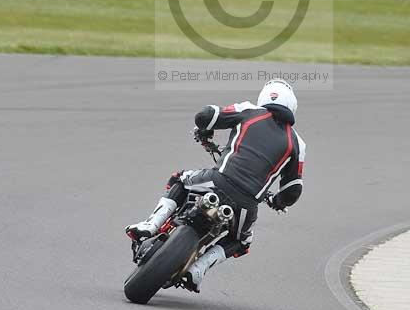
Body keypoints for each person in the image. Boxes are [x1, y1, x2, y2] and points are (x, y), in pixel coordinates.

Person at [126, 78, 306, 293]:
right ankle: (199, 268)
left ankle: (151, 225)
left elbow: (206, 115)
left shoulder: (250, 111)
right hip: (246, 204)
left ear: (264, 98)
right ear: (292, 105)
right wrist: (277, 201)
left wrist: (204, 130)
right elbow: (293, 189)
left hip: (216, 181)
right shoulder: (297, 143)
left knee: (180, 179)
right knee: (241, 241)